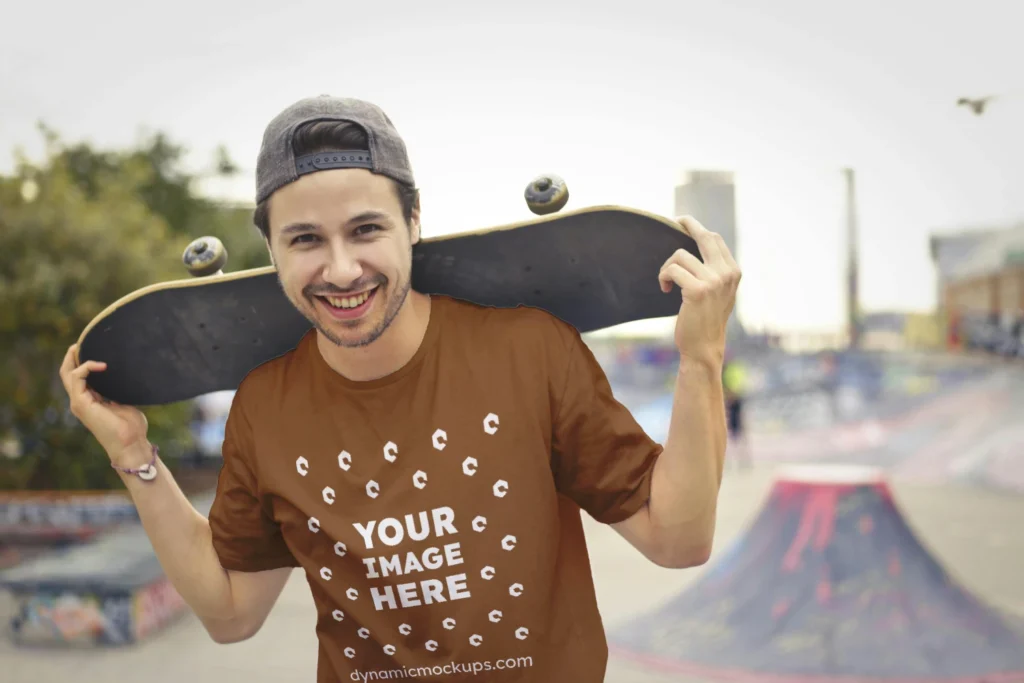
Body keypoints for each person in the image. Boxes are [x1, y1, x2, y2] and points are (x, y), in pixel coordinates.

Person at [59, 95, 741, 682]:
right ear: (271, 249)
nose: (342, 268)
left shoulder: (528, 350)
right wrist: (135, 457)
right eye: (305, 240)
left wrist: (700, 359)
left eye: (366, 229)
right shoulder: (266, 406)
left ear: (413, 221)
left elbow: (677, 539)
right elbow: (232, 612)